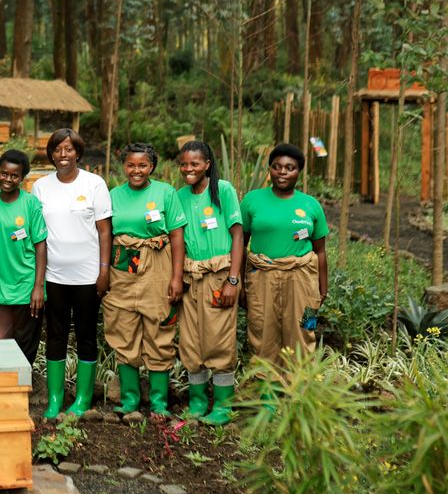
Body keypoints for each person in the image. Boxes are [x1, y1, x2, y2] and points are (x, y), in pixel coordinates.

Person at [32, 129, 112, 418]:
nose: (63, 155)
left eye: (68, 149)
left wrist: (104, 271)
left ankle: (82, 399)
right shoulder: (41, 186)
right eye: (57, 149)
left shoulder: (94, 184)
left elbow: (105, 231)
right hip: (55, 276)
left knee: (87, 335)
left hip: (88, 276)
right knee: (56, 335)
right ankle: (55, 399)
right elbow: (37, 232)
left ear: (78, 152)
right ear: (51, 153)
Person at [105, 143, 187, 416]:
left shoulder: (165, 193)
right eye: (131, 165)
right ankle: (129, 399)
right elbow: (103, 234)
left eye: (142, 165)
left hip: (157, 263)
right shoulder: (114, 194)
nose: (136, 170)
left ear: (152, 167)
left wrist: (177, 276)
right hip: (123, 262)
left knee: (159, 325)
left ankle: (159, 402)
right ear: (124, 166)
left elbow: (177, 236)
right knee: (122, 325)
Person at [240, 143, 328, 368]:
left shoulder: (310, 205)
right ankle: (266, 390)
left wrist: (322, 287)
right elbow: (241, 243)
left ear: (299, 171)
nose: (282, 172)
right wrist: (239, 281)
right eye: (277, 167)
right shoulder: (252, 200)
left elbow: (320, 250)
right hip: (262, 276)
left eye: (290, 168)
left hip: (302, 278)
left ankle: (298, 388)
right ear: (269, 169)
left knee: (303, 329)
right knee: (262, 329)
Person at [176, 140, 243, 426]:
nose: (188, 169)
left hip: (219, 274)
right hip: (191, 275)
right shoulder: (179, 196)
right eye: (184, 164)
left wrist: (232, 279)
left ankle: (224, 405)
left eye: (194, 164)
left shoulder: (223, 191)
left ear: (207, 164)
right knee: (191, 339)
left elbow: (238, 236)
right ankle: (198, 401)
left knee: (219, 337)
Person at [0, 149, 48, 364]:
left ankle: (21, 395)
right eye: (4, 173)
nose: (8, 179)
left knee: (25, 347)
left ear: (22, 178)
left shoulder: (30, 203)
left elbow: (41, 245)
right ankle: (0, 392)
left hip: (26, 287)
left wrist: (38, 286)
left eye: (14, 175)